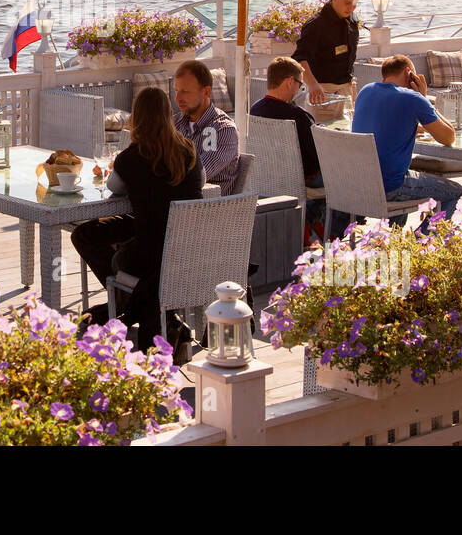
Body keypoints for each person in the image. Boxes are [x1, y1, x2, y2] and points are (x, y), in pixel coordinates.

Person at [71, 87, 203, 357]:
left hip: (149, 251)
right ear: (168, 115)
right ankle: (131, 303)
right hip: (185, 248)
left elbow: (114, 188)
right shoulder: (188, 151)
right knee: (92, 232)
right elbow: (197, 188)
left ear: (137, 118)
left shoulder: (131, 157)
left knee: (89, 237)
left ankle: (123, 300)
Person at [341, 54, 462, 238]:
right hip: (391, 185)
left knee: (404, 173)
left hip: (361, 183)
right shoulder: (413, 99)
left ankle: (395, 239)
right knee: (456, 191)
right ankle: (419, 241)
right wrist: (423, 97)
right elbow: (448, 137)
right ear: (409, 74)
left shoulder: (366, 91)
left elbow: (388, 123)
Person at [249, 56, 325, 235]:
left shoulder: (254, 110)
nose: (299, 89)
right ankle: (315, 225)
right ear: (290, 82)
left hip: (267, 178)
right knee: (344, 181)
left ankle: (309, 226)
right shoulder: (298, 116)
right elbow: (317, 155)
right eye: (300, 85)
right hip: (300, 180)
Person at [291, 0, 362, 121]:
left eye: (355, 4)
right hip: (322, 94)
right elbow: (299, 59)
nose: (351, 8)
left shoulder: (352, 20)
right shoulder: (316, 25)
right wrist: (313, 85)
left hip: (346, 92)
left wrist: (351, 88)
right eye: (347, 3)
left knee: (348, 137)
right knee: (322, 140)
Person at [172, 59, 240, 194]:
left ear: (206, 92)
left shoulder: (222, 130)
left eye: (185, 91)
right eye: (176, 90)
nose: (177, 98)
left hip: (208, 210)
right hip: (176, 201)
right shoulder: (175, 123)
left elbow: (198, 175)